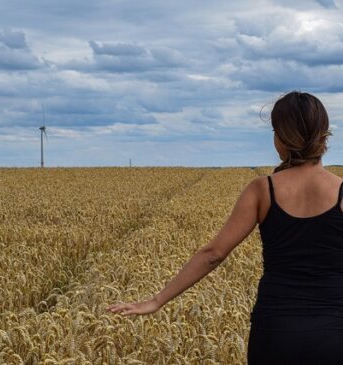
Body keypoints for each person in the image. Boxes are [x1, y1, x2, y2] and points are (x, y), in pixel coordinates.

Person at [106, 91, 343, 364]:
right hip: (335, 334)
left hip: (276, 332)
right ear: (324, 134)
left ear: (282, 137)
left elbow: (213, 254)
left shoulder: (263, 190)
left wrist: (157, 300)